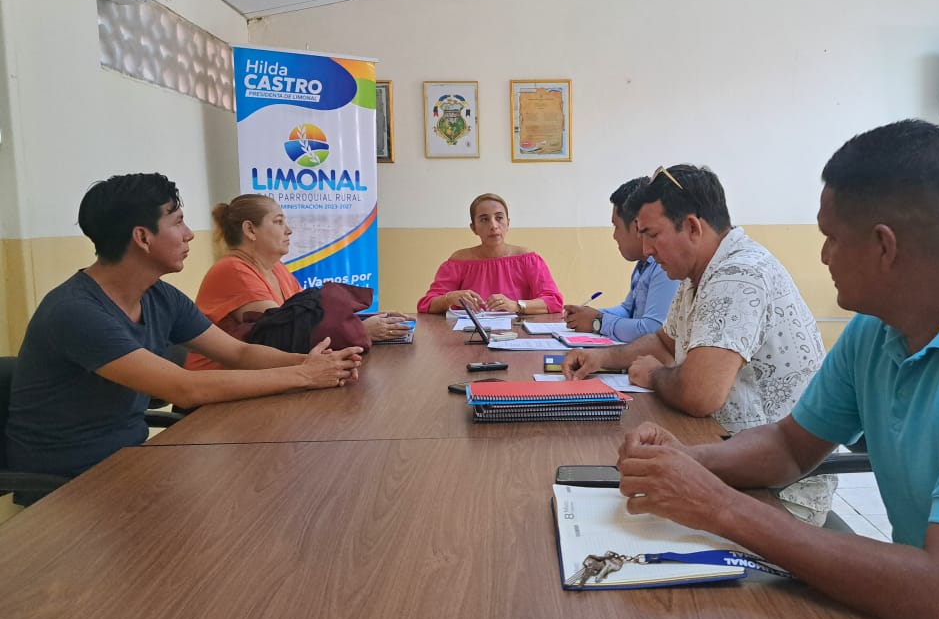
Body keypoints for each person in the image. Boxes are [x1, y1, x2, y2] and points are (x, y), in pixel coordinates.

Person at [617, 120, 939, 619]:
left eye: (831, 238)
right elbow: (790, 447)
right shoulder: (879, 326)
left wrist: (719, 506)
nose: (823, 255)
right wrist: (685, 461)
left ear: (884, 246)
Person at [5, 173, 362, 478]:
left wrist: (314, 364)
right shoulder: (77, 312)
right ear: (143, 237)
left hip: (126, 462)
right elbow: (184, 389)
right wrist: (304, 375)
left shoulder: (159, 295)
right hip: (66, 480)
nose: (190, 234)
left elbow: (239, 352)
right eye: (177, 222)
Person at [563, 164, 832, 524]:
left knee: (601, 516)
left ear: (692, 226)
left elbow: (700, 394)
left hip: (776, 493)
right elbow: (663, 343)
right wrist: (602, 358)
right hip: (721, 458)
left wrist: (655, 375)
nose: (647, 250)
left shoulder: (738, 275)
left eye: (652, 235)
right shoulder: (697, 274)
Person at [186, 195, 412, 370]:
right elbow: (285, 336)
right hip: (219, 391)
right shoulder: (233, 270)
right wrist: (361, 330)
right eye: (278, 222)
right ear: (250, 230)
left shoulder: (275, 268)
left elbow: (310, 317)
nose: (289, 230)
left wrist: (369, 318)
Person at [563, 176, 679, 341]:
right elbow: (627, 310)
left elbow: (653, 329)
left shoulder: (665, 266)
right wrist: (589, 314)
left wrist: (598, 322)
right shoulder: (643, 264)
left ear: (637, 226)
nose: (614, 236)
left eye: (616, 226)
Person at [417, 193, 563, 314]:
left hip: (518, 335)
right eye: (484, 219)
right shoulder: (458, 262)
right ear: (474, 228)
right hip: (467, 335)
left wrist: (516, 305)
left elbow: (554, 301)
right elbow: (426, 304)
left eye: (499, 218)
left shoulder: (528, 259)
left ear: (508, 223)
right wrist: (449, 298)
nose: (493, 226)